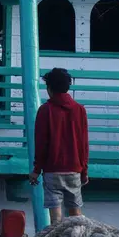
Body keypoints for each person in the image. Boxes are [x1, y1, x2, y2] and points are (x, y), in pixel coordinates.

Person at [29, 68, 89, 225]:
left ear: (49, 88)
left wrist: (36, 170)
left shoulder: (45, 110)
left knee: (55, 218)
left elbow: (41, 143)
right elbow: (83, 143)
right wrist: (84, 170)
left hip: (52, 170)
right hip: (74, 169)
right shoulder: (80, 110)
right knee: (76, 215)